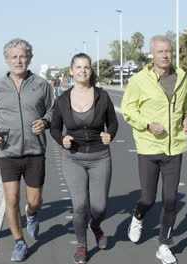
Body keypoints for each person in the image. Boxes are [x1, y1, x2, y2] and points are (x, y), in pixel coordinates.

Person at [121, 35, 187, 264]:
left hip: (174, 148)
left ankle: (164, 245)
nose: (165, 55)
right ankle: (138, 216)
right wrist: (147, 124)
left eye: (168, 51)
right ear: (152, 54)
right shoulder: (139, 80)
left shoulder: (183, 78)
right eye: (160, 51)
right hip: (149, 147)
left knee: (171, 199)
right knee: (148, 198)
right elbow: (128, 110)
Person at [0, 38, 54, 262]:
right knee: (11, 199)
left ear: (29, 58)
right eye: (14, 57)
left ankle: (32, 215)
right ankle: (19, 242)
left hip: (35, 151)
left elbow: (54, 110)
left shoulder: (42, 85)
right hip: (8, 151)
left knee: (35, 200)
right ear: (7, 60)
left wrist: (46, 121)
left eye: (22, 56)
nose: (18, 60)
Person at [51, 53, 118, 264]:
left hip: (100, 156)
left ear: (90, 70)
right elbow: (54, 128)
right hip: (73, 158)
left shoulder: (102, 96)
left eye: (86, 67)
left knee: (99, 207)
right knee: (79, 206)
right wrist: (62, 140)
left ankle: (95, 226)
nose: (82, 71)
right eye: (78, 67)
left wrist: (111, 135)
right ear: (71, 71)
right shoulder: (62, 100)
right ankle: (82, 245)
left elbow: (113, 123)